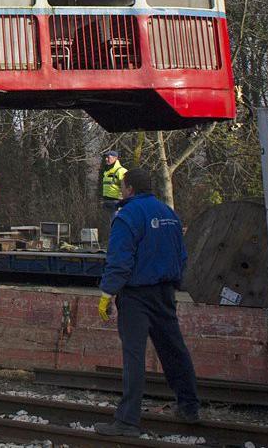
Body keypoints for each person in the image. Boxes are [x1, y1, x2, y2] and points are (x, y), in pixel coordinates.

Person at [93, 167, 201, 436]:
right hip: (164, 292)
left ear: (129, 188)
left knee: (134, 356)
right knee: (173, 349)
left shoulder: (127, 215)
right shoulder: (169, 214)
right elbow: (182, 255)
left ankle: (127, 421)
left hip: (136, 295)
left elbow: (119, 259)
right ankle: (189, 406)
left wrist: (107, 293)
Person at [99, 150, 127, 242]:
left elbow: (126, 188)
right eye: (106, 157)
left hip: (118, 203)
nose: (106, 159)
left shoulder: (121, 171)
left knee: (117, 226)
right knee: (112, 225)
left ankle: (119, 244)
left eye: (109, 157)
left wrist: (124, 202)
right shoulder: (107, 171)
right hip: (109, 203)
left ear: (115, 158)